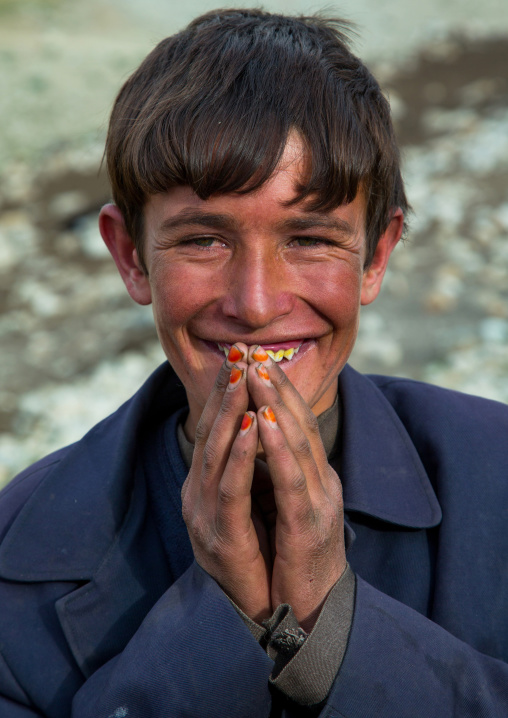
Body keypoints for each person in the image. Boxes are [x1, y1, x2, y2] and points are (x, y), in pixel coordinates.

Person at [1, 8, 507, 717]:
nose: (257, 303)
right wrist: (221, 622)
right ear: (129, 255)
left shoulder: (497, 476)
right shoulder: (22, 553)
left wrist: (330, 625)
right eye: (204, 240)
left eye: (309, 239)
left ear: (378, 255)